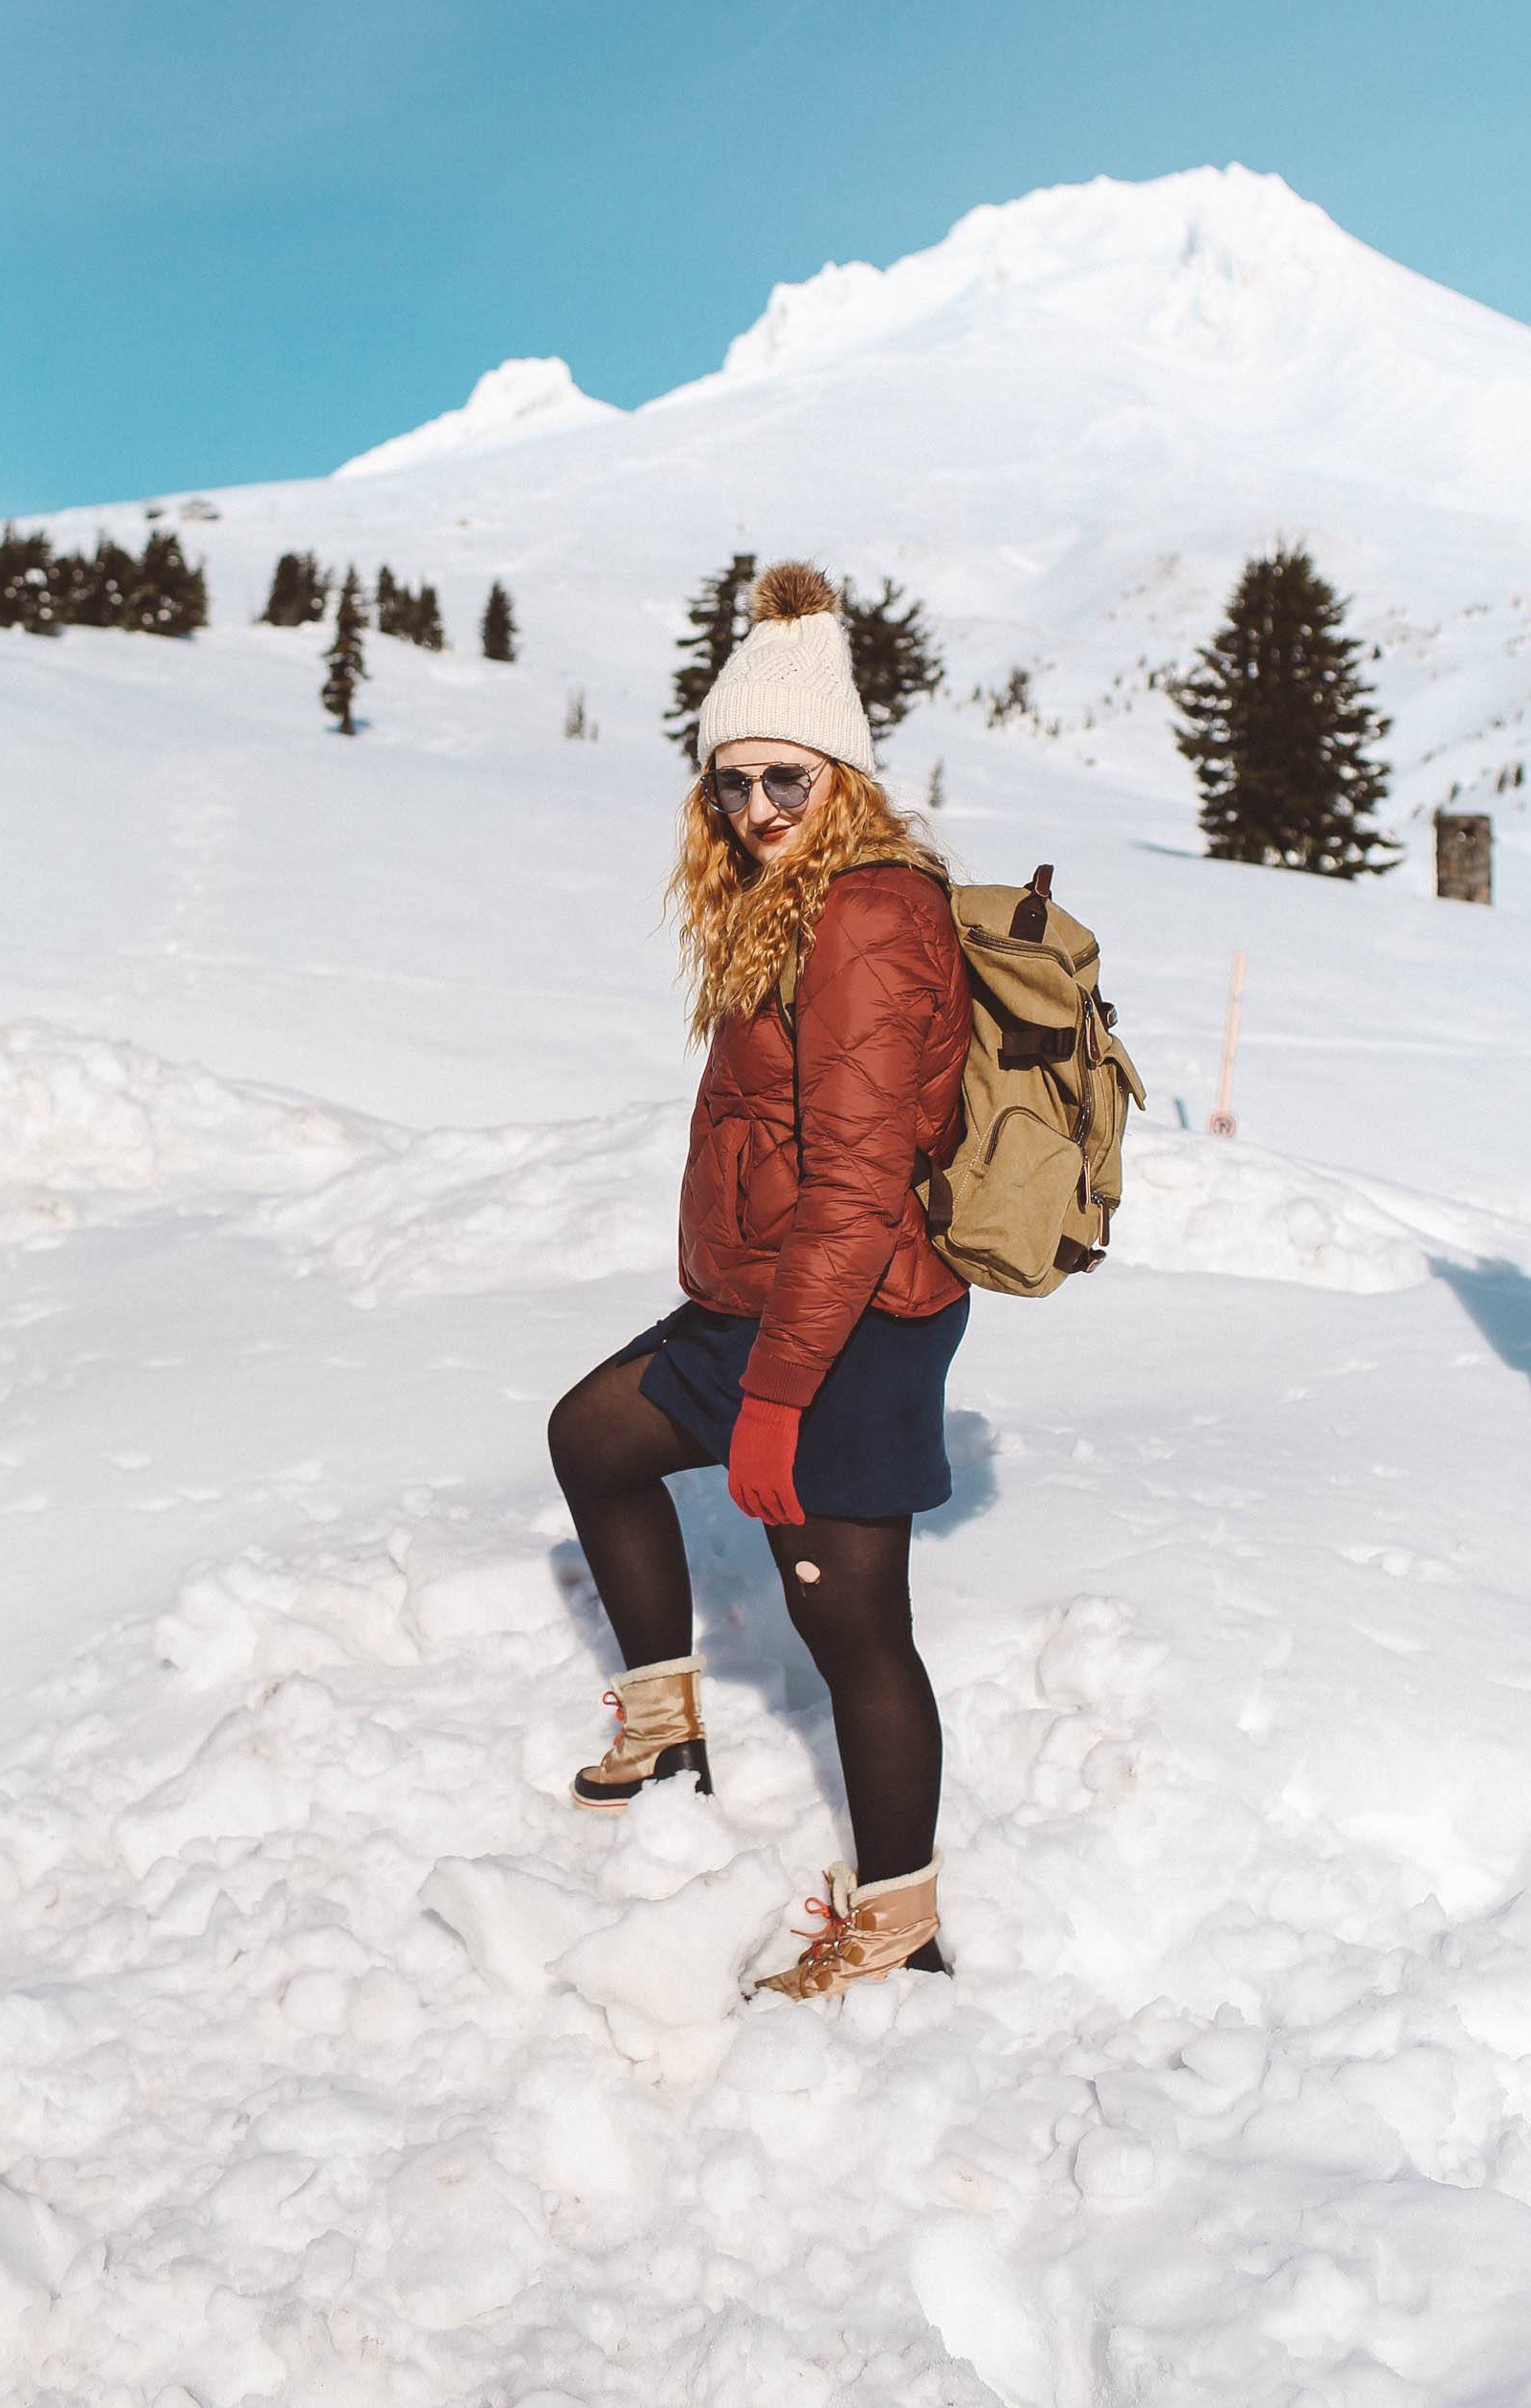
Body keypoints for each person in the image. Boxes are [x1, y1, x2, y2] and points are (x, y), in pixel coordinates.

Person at [547, 560, 973, 2000]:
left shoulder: (865, 918)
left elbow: (857, 1192)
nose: (756, 815)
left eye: (785, 783)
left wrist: (779, 1400)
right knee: (595, 1434)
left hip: (847, 1321)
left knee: (848, 1618)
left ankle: (900, 1918)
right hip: (764, 1301)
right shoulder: (789, 907)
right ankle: (666, 1722)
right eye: (731, 788)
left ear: (841, 776)